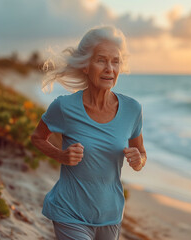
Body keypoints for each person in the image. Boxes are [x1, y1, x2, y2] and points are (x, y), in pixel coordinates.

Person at [31, 26, 146, 240]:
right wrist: (60, 155)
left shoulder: (133, 110)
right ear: (85, 66)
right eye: (101, 60)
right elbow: (37, 138)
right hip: (69, 212)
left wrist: (138, 160)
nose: (109, 69)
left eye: (115, 61)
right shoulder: (64, 107)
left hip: (111, 216)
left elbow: (141, 153)